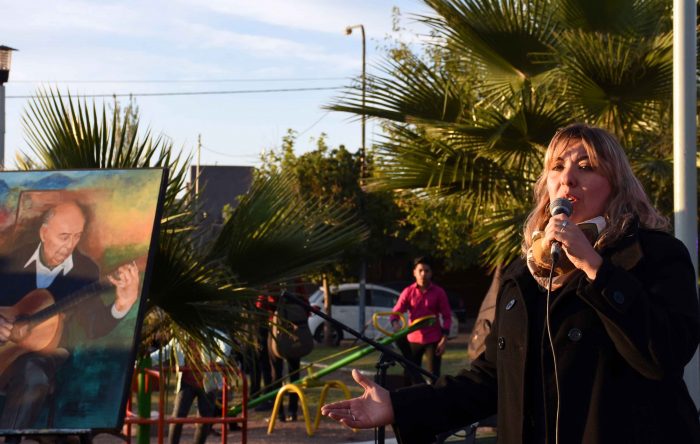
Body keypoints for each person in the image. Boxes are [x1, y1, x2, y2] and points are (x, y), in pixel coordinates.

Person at [322, 124, 700, 443]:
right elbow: (490, 379)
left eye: (586, 167)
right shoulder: (524, 274)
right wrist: (398, 406)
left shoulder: (652, 256)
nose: (567, 177)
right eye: (557, 166)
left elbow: (663, 356)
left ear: (616, 185)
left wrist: (596, 268)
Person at [0, 201, 140, 437]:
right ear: (44, 233)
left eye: (76, 237)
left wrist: (122, 304)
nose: (70, 246)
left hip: (47, 354)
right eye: (63, 236)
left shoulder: (86, 270)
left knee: (33, 373)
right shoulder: (11, 260)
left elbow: (94, 325)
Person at [391, 257, 452, 384]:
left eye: (427, 270)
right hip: (413, 339)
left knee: (434, 376)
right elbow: (396, 312)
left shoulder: (439, 292)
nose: (423, 274)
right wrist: (395, 323)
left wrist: (444, 338)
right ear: (414, 272)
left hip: (433, 339)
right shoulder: (408, 291)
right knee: (409, 374)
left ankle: (434, 402)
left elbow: (447, 317)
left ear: (431, 273)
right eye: (420, 270)